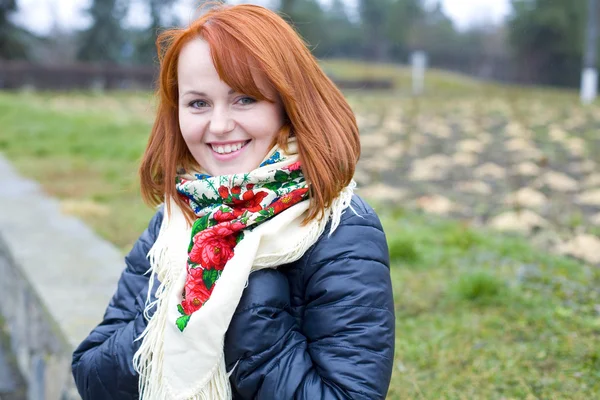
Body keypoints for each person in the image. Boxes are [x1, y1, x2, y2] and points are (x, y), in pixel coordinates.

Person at [71, 3, 394, 399]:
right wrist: (174, 307)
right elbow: (92, 376)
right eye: (198, 103)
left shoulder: (341, 229)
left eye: (244, 99)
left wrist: (245, 307)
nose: (219, 125)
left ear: (288, 106)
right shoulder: (177, 220)